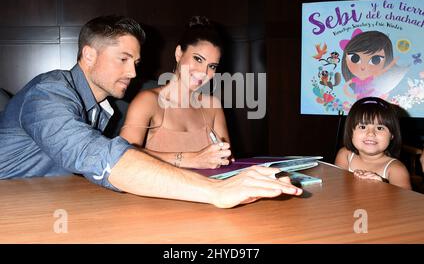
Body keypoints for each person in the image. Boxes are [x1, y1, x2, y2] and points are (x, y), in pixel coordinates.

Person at [0, 15, 302, 208]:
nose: (132, 71)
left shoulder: (100, 107)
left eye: (136, 62)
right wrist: (215, 191)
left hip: (43, 200)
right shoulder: (48, 93)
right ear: (89, 55)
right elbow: (101, 158)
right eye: (123, 59)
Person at [120, 16, 232, 169]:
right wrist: (190, 160)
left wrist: (225, 159)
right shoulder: (148, 101)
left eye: (212, 66)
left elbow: (225, 160)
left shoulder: (213, 105)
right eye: (198, 59)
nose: (203, 72)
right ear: (179, 54)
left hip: (206, 191)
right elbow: (122, 155)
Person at [335, 97, 411, 189]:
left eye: (379, 128)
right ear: (351, 132)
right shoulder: (345, 155)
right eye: (362, 127)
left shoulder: (396, 169)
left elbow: (405, 200)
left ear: (392, 135)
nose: (370, 133)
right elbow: (337, 186)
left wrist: (383, 185)